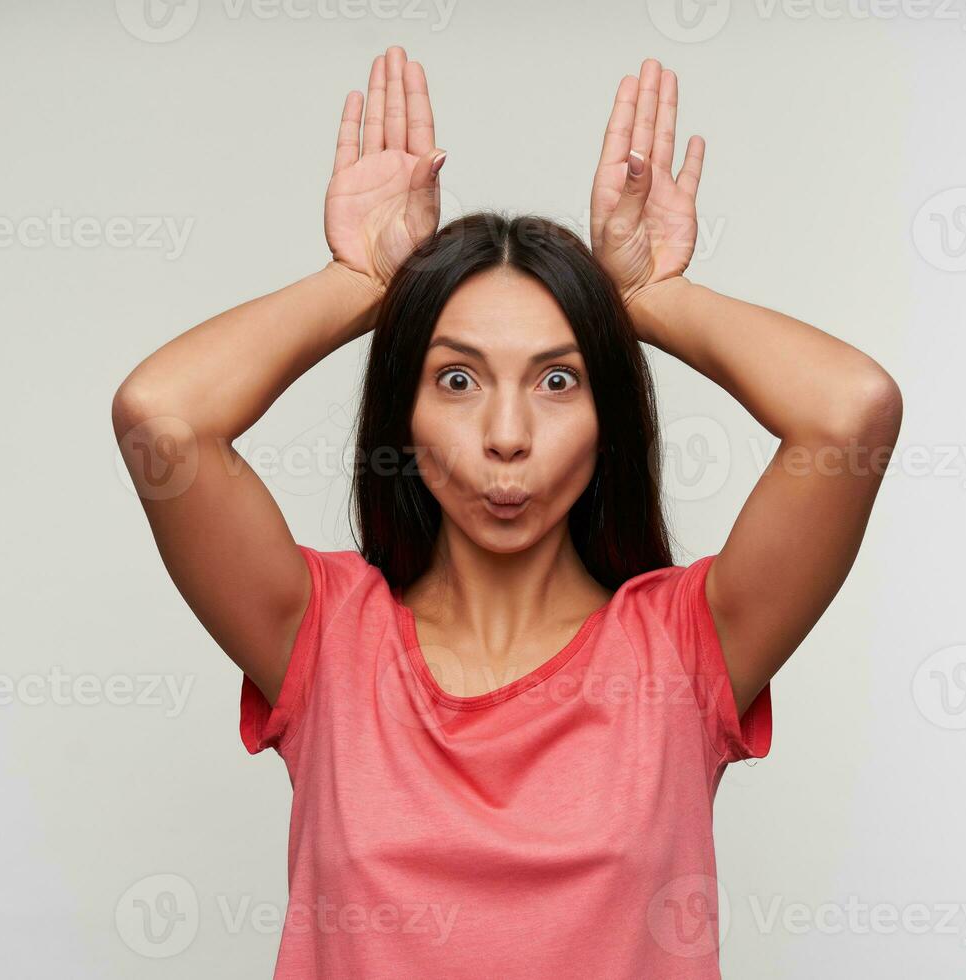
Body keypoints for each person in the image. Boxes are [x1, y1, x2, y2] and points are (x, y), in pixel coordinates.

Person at [111, 44, 901, 979]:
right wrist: (363, 284)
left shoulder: (691, 648)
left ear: (610, 419)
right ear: (402, 411)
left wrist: (649, 298)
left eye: (558, 380)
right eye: (456, 378)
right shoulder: (321, 637)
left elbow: (850, 410)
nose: (507, 434)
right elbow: (162, 418)